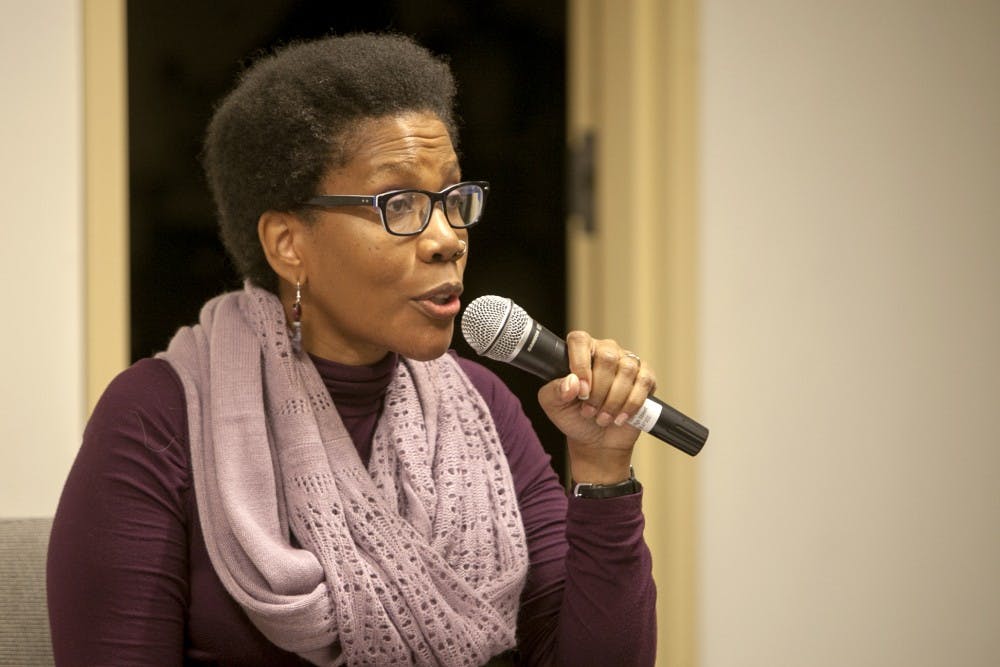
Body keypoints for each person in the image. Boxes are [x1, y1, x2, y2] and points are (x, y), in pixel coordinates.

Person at [47, 33, 657, 666]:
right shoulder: (158, 418)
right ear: (288, 244)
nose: (447, 239)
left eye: (453, 200)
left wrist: (602, 469)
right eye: (400, 204)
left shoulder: (486, 408)